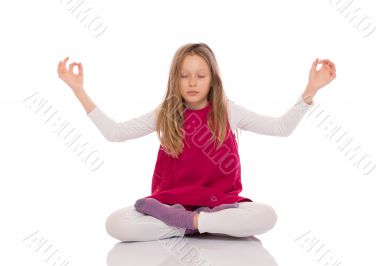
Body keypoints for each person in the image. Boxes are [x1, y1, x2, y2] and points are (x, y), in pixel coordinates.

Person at [57, 42, 336, 242]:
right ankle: (197, 226)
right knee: (116, 224)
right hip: (170, 205)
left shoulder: (228, 111)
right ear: (175, 80)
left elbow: (280, 128)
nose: (192, 82)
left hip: (219, 204)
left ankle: (194, 224)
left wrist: (310, 90)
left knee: (266, 216)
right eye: (184, 75)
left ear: (212, 80)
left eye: (200, 76)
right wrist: (79, 91)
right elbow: (115, 133)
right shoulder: (165, 113)